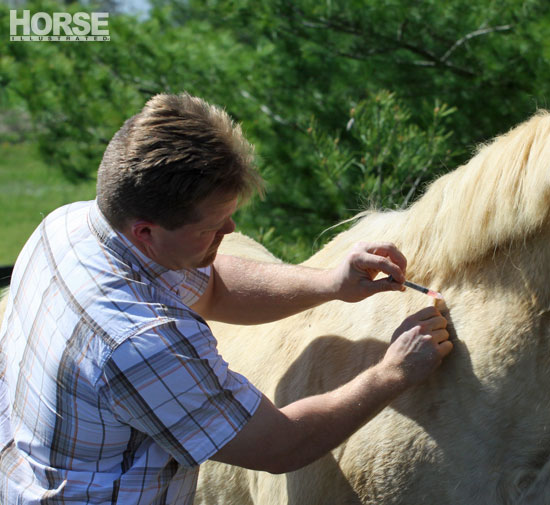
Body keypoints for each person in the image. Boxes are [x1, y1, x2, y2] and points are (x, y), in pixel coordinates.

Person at [0, 93, 453, 504]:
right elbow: (282, 445)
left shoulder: (68, 226)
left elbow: (210, 285)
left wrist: (329, 282)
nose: (231, 232)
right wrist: (392, 372)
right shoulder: (139, 341)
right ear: (146, 232)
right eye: (211, 228)